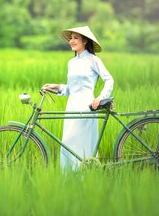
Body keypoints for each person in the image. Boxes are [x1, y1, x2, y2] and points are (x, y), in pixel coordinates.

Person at [43, 25, 114, 171]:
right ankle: (69, 180)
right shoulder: (72, 62)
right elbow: (70, 88)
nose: (72, 41)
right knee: (68, 143)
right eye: (71, 38)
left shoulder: (93, 60)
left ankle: (85, 177)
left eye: (76, 38)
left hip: (87, 106)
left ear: (85, 41)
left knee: (82, 143)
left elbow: (109, 80)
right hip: (72, 106)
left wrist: (100, 98)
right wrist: (54, 86)